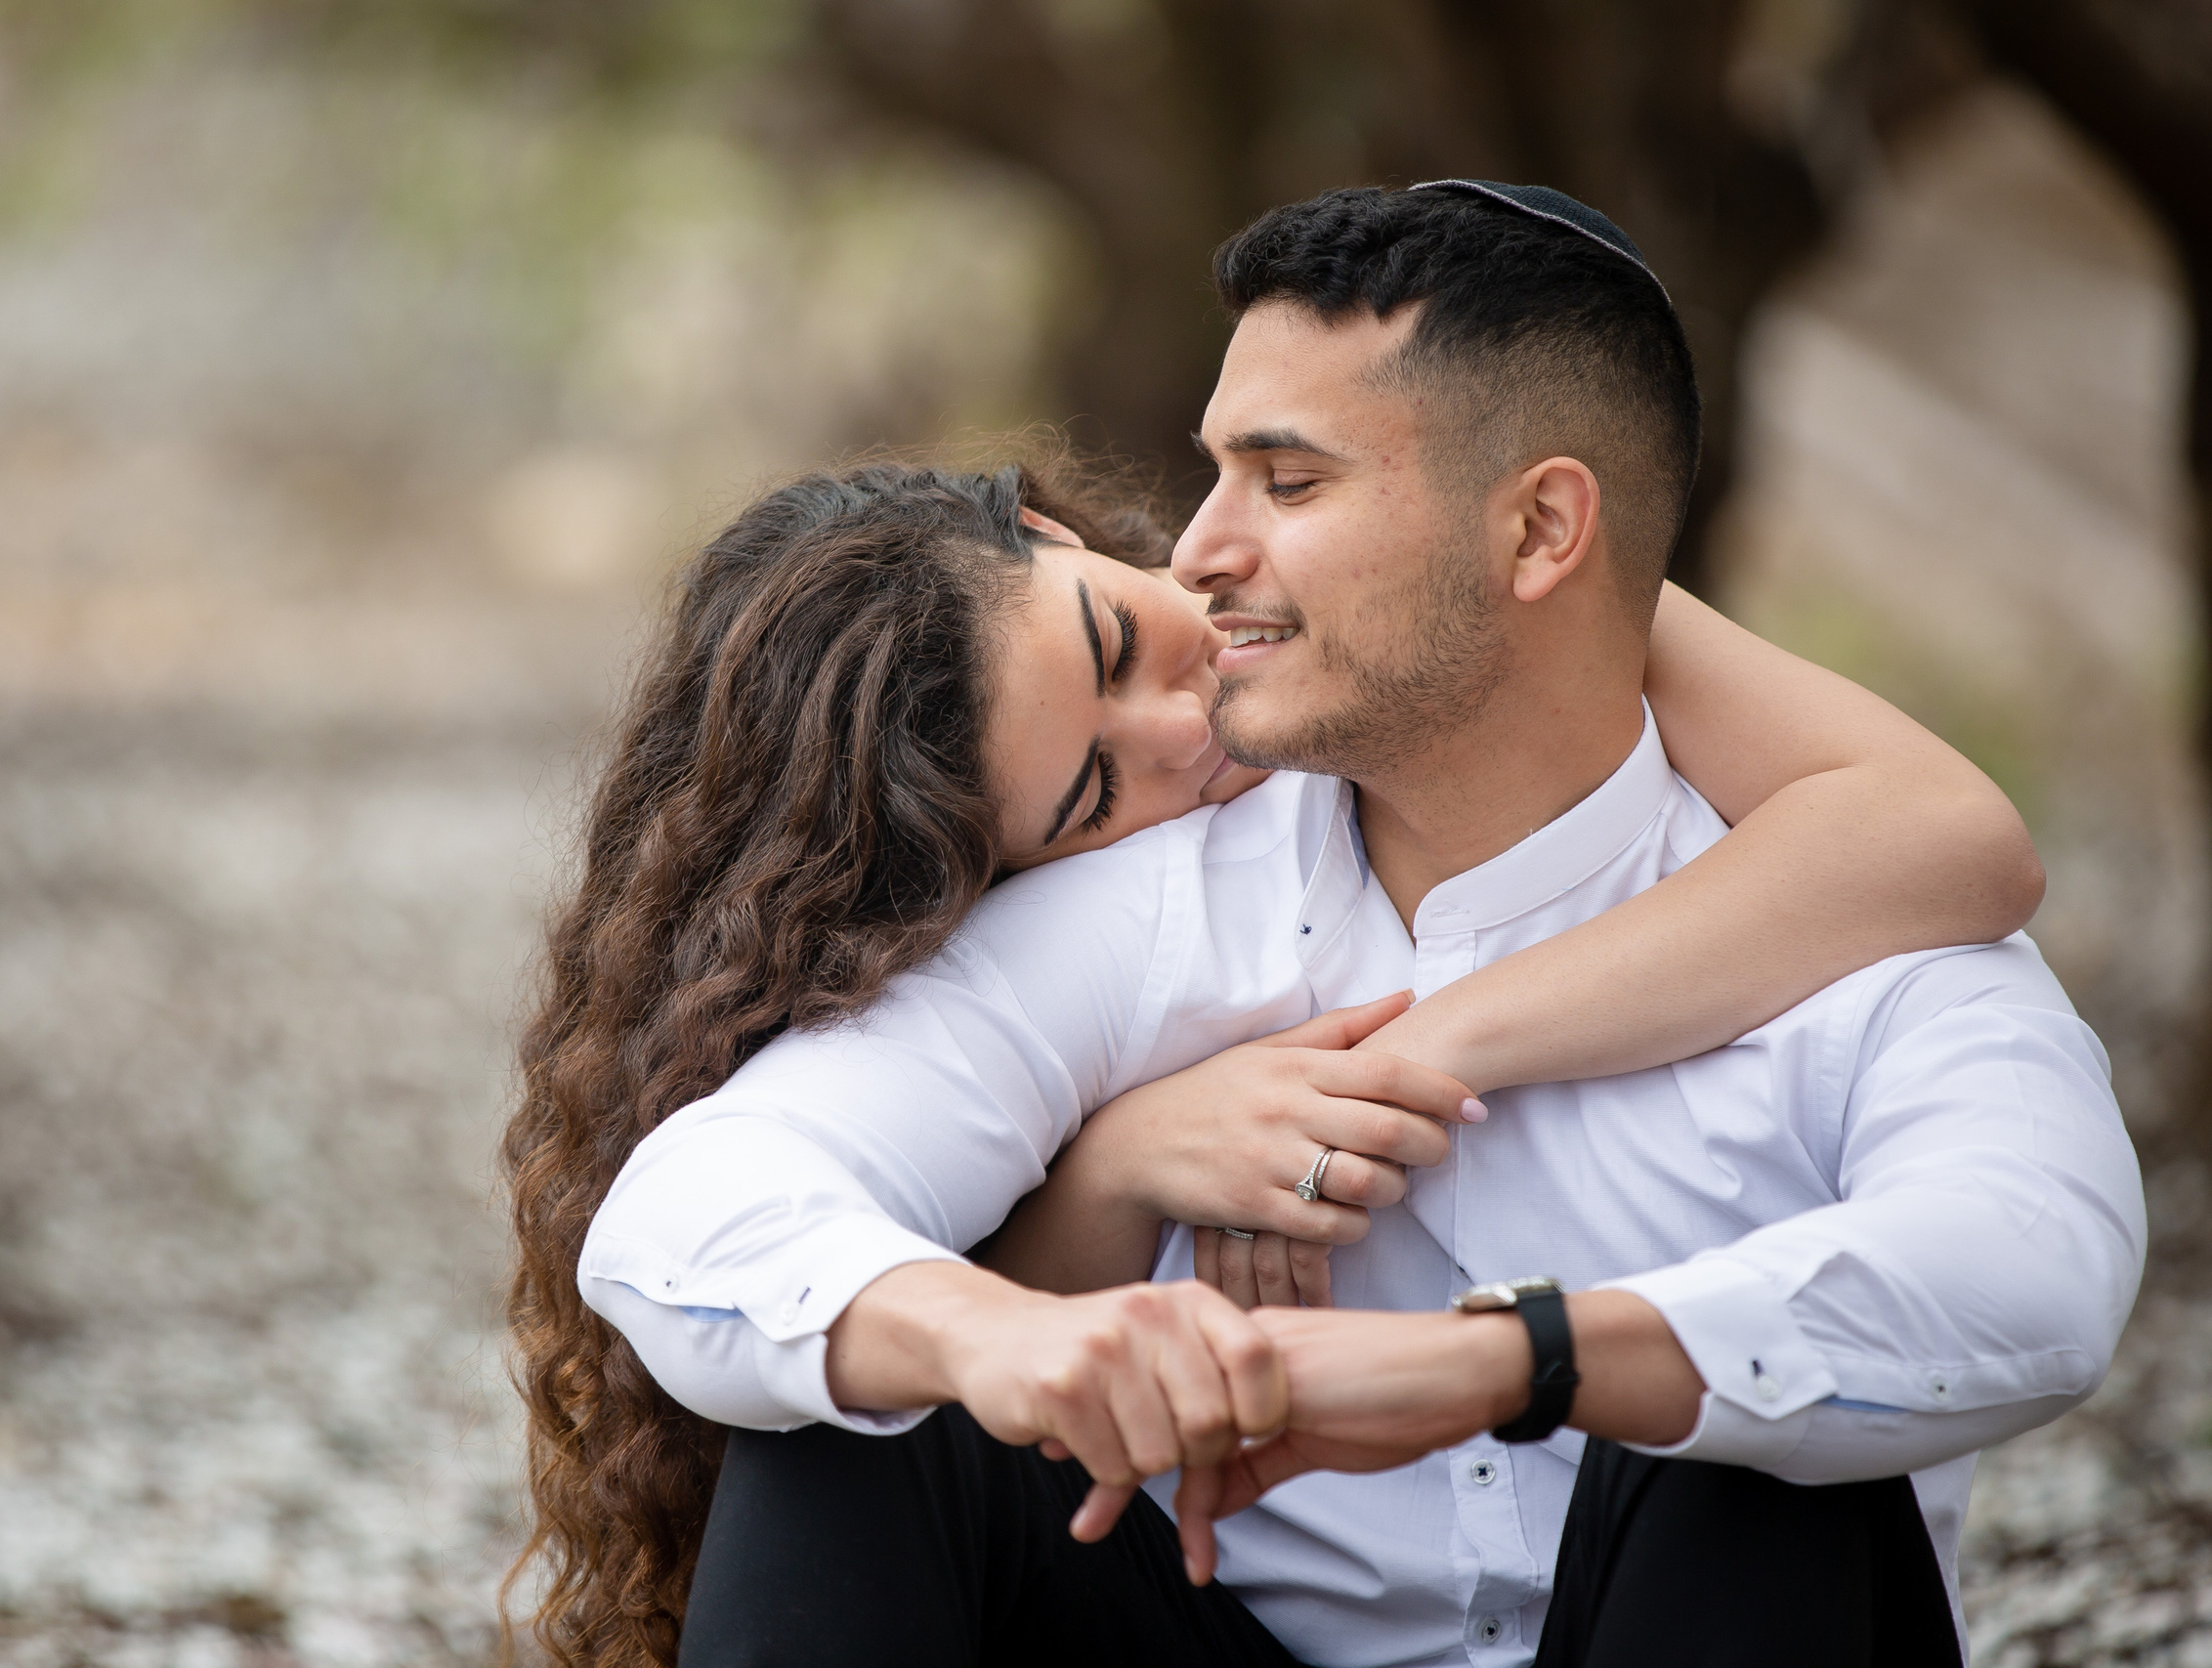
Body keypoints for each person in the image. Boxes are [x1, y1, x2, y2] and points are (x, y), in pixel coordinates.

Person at [555, 183, 2147, 1667]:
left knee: (1753, 1413)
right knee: (864, 1434)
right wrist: (1003, 1337)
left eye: (1290, 481)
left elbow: (2033, 1266)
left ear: (1538, 534)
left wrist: (1522, 1359)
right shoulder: (1155, 909)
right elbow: (698, 1205)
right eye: (1216, 472)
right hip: (1204, 1626)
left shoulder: (1852, 916)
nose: (1198, 549)